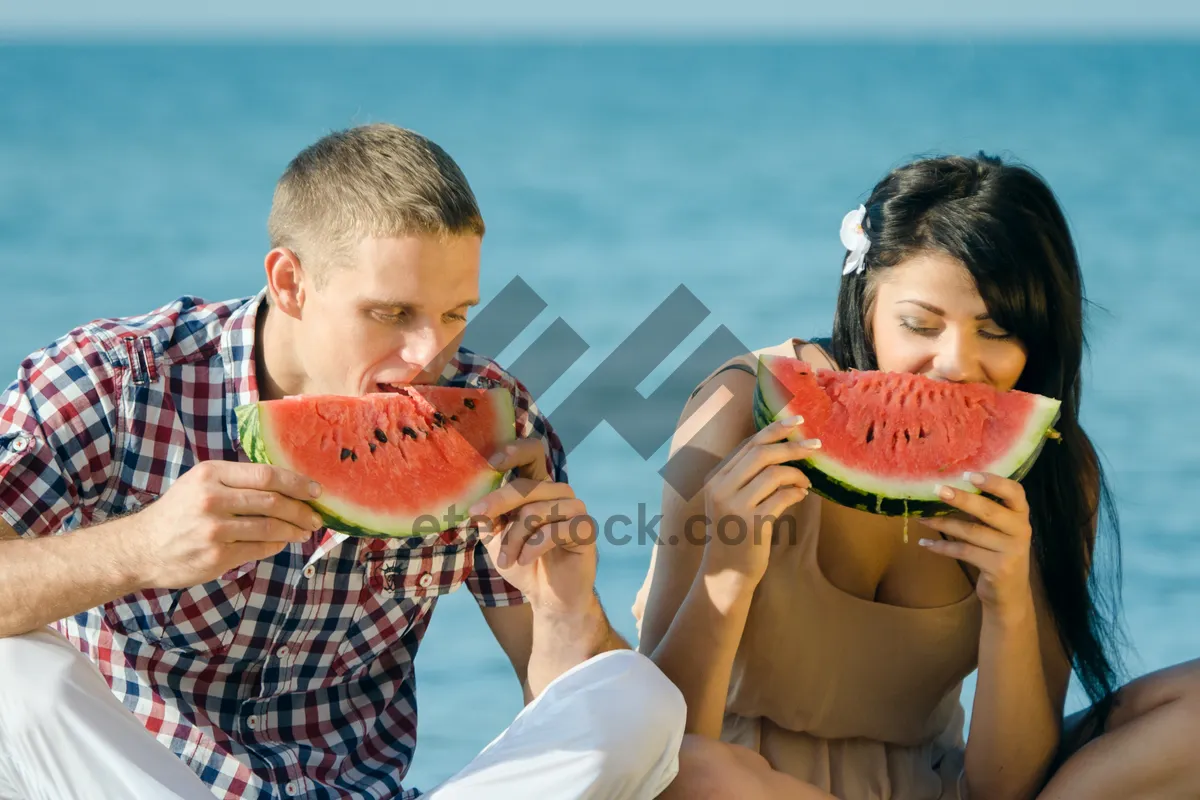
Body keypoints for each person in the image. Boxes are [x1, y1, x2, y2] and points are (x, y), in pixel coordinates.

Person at [0, 123, 686, 800]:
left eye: (454, 314)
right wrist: (139, 548)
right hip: (141, 783)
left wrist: (564, 605)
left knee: (633, 698)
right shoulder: (118, 383)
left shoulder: (491, 420)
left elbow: (557, 708)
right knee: (14, 670)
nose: (428, 354)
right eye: (392, 313)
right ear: (291, 282)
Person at [633, 153, 1200, 799]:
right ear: (865, 298)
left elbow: (1007, 787)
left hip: (936, 783)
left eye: (997, 330)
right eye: (921, 325)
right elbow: (659, 740)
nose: (958, 364)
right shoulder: (740, 409)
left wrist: (1008, 600)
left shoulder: (1057, 471)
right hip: (729, 780)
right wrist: (726, 575)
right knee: (705, 775)